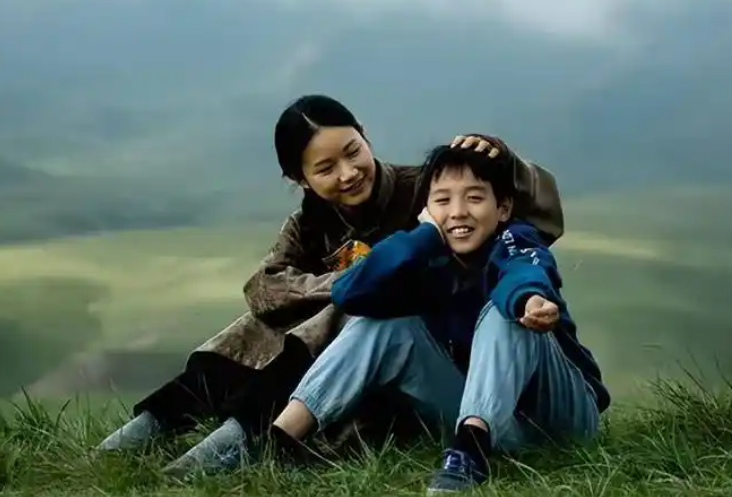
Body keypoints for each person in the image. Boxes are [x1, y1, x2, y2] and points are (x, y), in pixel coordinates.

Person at [96, 94, 566, 466]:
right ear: (299, 179)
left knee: (350, 309)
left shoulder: (426, 190)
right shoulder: (308, 223)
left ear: (365, 136)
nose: (348, 173)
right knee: (267, 322)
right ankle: (157, 422)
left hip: (413, 367)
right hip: (347, 356)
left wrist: (508, 163)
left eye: (352, 152)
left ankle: (241, 437)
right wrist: (345, 283)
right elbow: (264, 288)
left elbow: (531, 223)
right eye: (325, 168)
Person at [167, 143, 610, 491]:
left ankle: (467, 456)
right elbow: (349, 292)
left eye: (475, 198)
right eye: (443, 200)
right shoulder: (427, 253)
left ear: (504, 208)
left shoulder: (514, 238)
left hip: (561, 419)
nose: (458, 211)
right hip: (498, 424)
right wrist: (421, 237)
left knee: (504, 310)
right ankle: (280, 440)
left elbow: (524, 271)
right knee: (381, 324)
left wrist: (530, 300)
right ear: (427, 211)